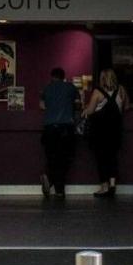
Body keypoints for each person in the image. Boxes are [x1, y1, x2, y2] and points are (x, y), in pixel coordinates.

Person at [83, 68, 128, 198]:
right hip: (116, 129)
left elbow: (90, 111)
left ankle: (104, 186)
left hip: (100, 131)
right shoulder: (121, 90)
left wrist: (85, 108)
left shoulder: (98, 92)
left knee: (101, 158)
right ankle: (113, 184)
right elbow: (126, 107)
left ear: (102, 79)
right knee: (112, 157)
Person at [39, 67, 81, 198]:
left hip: (50, 128)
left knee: (52, 157)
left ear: (52, 77)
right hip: (66, 128)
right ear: (64, 76)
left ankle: (50, 178)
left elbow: (42, 106)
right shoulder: (71, 87)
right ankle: (59, 190)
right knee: (64, 159)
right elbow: (78, 104)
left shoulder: (46, 88)